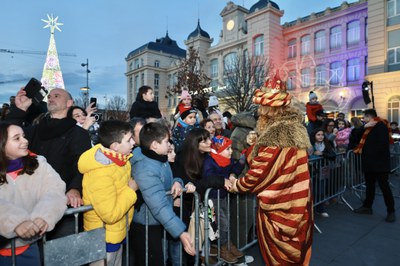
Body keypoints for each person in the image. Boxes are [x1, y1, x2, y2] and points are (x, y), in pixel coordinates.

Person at [230, 73, 313, 265]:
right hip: (299, 204)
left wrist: (236, 185)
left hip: (280, 207)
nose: (260, 112)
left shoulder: (276, 134)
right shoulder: (295, 128)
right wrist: (256, 144)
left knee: (280, 257)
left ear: (270, 109)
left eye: (262, 107)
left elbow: (258, 173)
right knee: (297, 251)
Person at [6, 88, 92, 238]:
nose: (51, 98)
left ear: (69, 103)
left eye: (57, 96)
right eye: (50, 96)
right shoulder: (35, 130)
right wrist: (19, 110)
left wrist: (74, 188)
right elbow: (6, 138)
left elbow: (82, 165)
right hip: (29, 202)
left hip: (61, 203)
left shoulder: (79, 134)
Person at [0, 123, 66, 265]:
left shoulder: (39, 165)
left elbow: (55, 191)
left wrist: (44, 216)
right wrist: (16, 222)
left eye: (24, 136)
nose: (25, 141)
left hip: (27, 249)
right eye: (17, 138)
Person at [130, 123, 195, 266]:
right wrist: (180, 232)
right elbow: (158, 205)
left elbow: (170, 178)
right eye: (166, 142)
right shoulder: (145, 168)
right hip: (146, 225)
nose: (170, 146)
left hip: (157, 222)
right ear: (154, 145)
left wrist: (177, 181)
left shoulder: (159, 158)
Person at [78, 120, 137, 266]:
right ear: (115, 146)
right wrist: (131, 191)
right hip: (103, 239)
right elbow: (110, 214)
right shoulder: (100, 173)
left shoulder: (121, 161)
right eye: (129, 140)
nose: (134, 142)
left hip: (116, 233)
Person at [203, 135, 245, 264]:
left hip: (223, 197)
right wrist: (223, 180)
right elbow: (208, 177)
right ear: (219, 150)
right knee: (219, 225)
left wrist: (242, 161)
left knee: (225, 223)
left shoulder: (227, 159)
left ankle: (226, 245)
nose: (231, 151)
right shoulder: (209, 161)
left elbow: (234, 169)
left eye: (231, 148)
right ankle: (221, 248)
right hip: (212, 199)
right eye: (228, 149)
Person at [353, 109, 396, 223]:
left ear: (369, 116)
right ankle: (367, 207)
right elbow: (354, 137)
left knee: (384, 187)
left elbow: (382, 145)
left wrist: (370, 155)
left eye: (364, 117)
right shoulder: (367, 127)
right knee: (369, 186)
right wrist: (363, 127)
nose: (363, 119)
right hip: (369, 163)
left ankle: (391, 211)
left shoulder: (381, 126)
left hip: (380, 164)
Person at [308, 128, 336, 217]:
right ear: (314, 136)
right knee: (312, 190)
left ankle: (320, 209)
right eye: (318, 135)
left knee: (321, 190)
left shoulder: (327, 144)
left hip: (323, 169)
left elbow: (333, 156)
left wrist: (322, 154)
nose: (321, 136)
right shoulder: (310, 144)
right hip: (312, 170)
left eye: (322, 135)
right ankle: (310, 209)